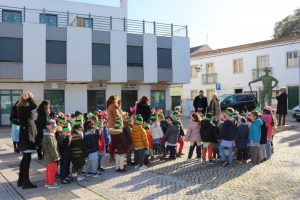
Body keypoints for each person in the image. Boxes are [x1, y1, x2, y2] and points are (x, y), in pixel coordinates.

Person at [17, 92, 38, 189]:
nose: (32, 99)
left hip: (27, 135)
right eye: (31, 98)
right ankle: (25, 182)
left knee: (25, 159)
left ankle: (21, 180)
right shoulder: (23, 108)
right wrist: (28, 98)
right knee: (26, 160)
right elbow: (34, 105)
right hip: (27, 137)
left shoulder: (23, 108)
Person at [42, 120, 60, 189]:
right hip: (52, 157)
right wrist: (57, 157)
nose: (55, 130)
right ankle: (51, 184)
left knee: (48, 170)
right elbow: (53, 148)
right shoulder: (51, 137)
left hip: (47, 156)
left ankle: (48, 182)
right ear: (50, 128)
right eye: (55, 128)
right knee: (52, 171)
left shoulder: (45, 136)